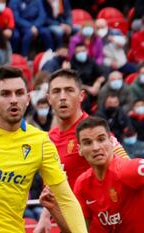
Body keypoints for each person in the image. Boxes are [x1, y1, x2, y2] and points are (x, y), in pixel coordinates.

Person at [0, 66, 86, 233]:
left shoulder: (41, 142)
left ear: (28, 98)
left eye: (19, 93)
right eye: (6, 94)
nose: (14, 100)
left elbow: (66, 200)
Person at [34, 69, 129, 232]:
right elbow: (52, 185)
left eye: (69, 90)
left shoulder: (92, 132)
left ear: (81, 96)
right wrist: (44, 217)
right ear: (49, 98)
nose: (62, 97)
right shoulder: (48, 138)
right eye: (56, 91)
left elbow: (125, 167)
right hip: (65, 223)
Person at [73, 116, 144, 232]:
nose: (96, 148)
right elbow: (80, 230)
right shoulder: (82, 184)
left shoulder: (128, 169)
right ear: (80, 149)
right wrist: (54, 209)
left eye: (101, 140)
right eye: (88, 143)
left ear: (111, 142)